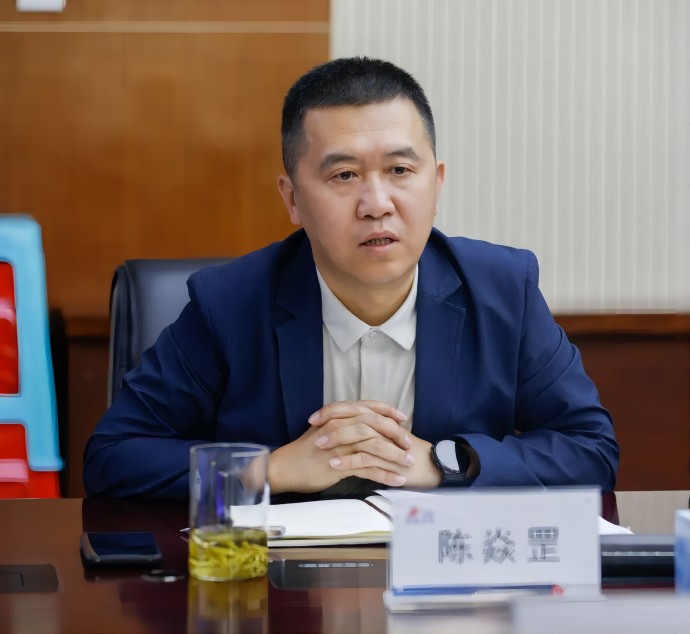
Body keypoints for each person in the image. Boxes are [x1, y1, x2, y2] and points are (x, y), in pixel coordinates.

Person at [83, 57, 619, 499]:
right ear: (293, 199)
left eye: (400, 171)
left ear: (436, 184)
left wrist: (445, 462)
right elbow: (113, 457)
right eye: (344, 175)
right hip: (285, 586)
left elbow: (590, 450)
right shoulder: (229, 303)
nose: (376, 204)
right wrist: (273, 468)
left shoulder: (502, 289)